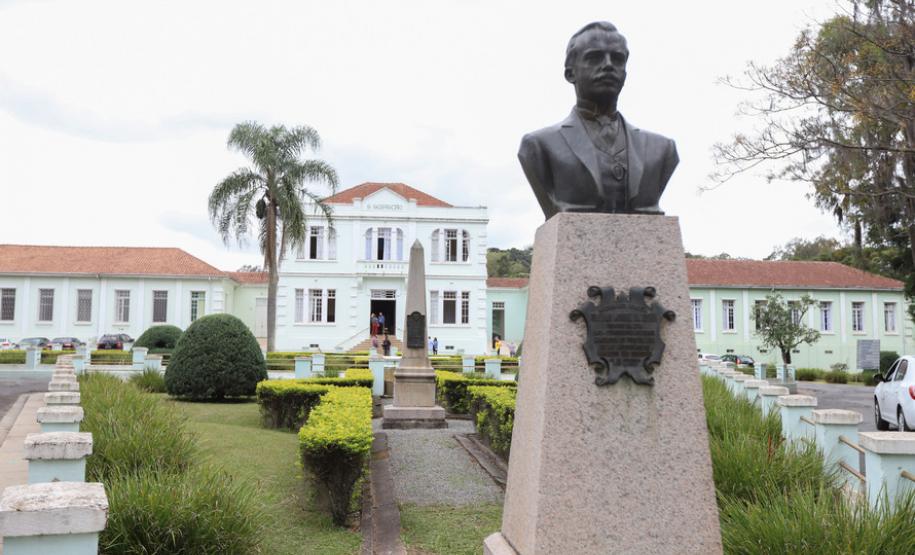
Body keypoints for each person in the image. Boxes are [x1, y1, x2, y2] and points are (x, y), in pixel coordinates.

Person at [517, 21, 679, 219]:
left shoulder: (663, 149)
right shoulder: (539, 146)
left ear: (625, 73)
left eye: (618, 59)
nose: (609, 65)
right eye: (594, 57)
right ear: (570, 72)